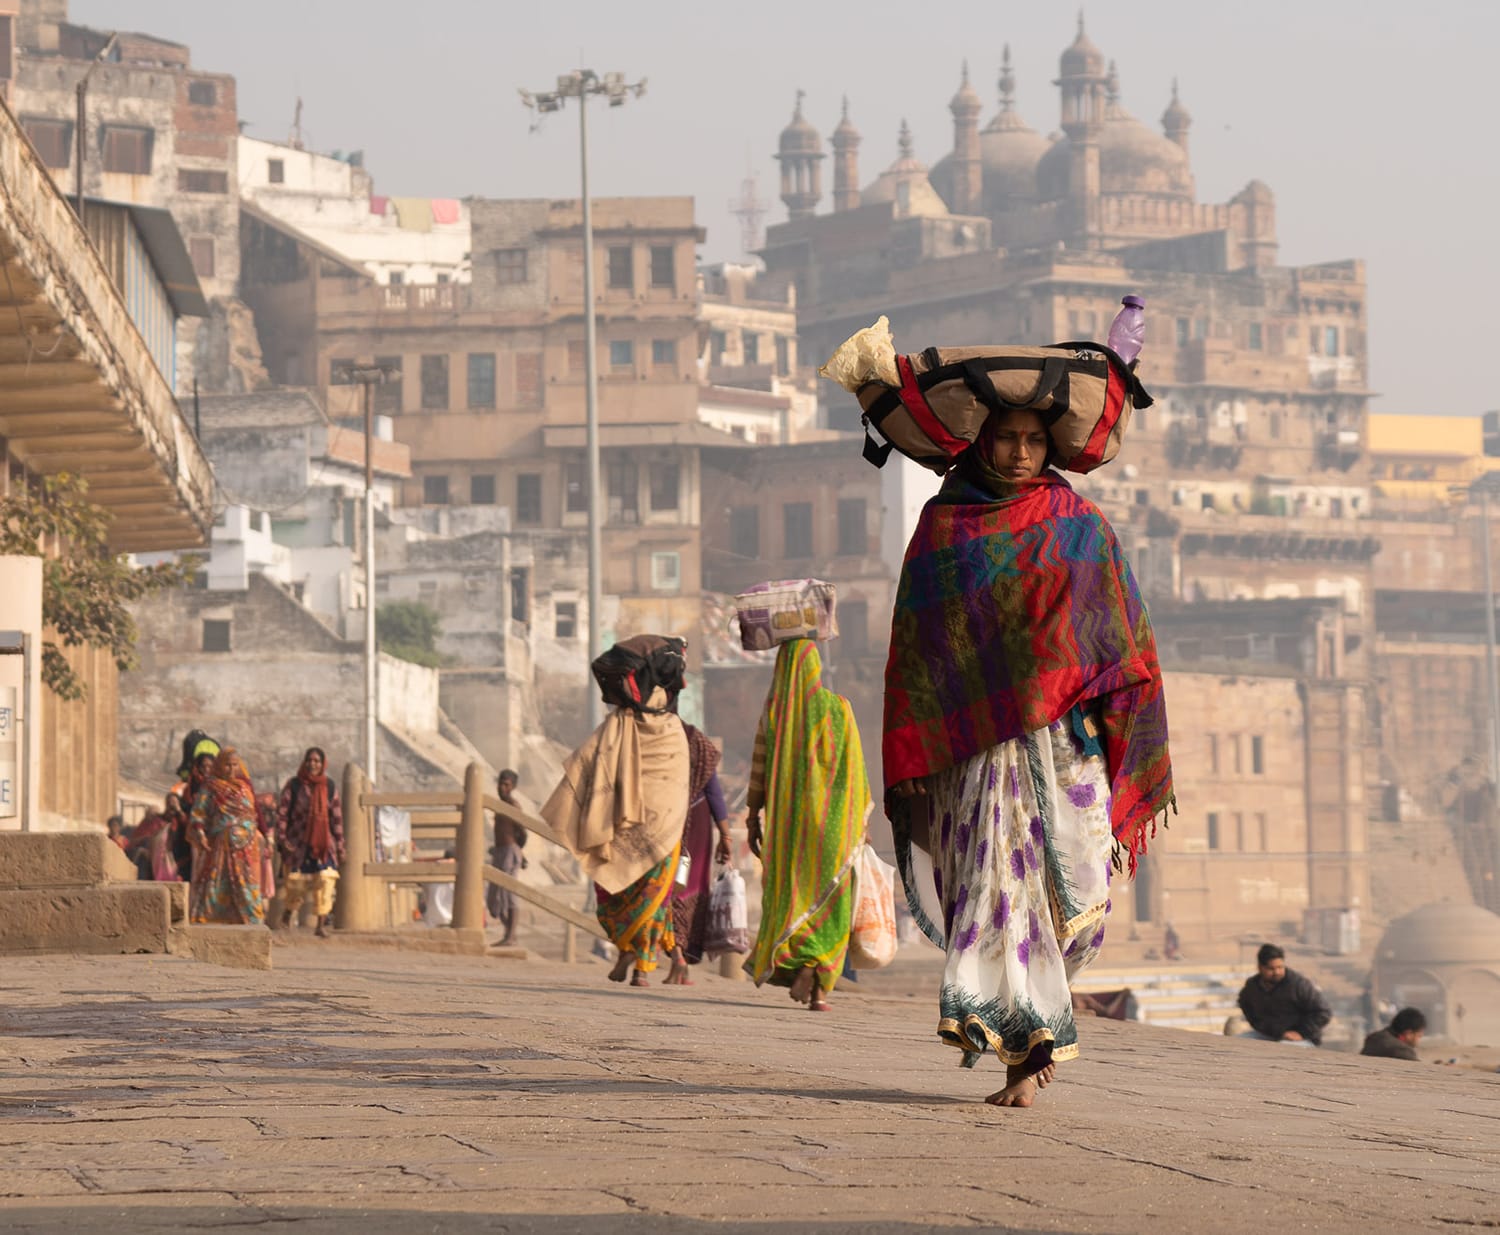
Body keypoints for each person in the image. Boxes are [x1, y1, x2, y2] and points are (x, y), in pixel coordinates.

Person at [883, 408, 1174, 1106]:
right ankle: (1029, 1045)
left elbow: (1119, 635)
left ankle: (1038, 1018)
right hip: (975, 751)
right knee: (993, 890)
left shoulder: (1078, 524)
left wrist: (1088, 703)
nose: (1019, 452)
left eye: (1033, 439)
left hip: (1064, 746)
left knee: (1072, 889)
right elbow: (921, 647)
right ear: (982, 439)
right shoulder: (943, 527)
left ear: (1051, 446)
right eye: (1007, 438)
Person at [543, 635, 691, 988]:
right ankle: (638, 960)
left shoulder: (616, 725)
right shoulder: (674, 732)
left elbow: (587, 764)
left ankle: (634, 955)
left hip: (619, 828)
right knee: (653, 894)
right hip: (664, 832)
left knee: (621, 894)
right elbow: (679, 788)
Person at [744, 637, 869, 1013]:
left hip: (788, 835)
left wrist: (753, 818)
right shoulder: (840, 709)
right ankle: (820, 988)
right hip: (834, 832)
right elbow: (857, 773)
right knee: (831, 906)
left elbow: (759, 773)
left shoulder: (775, 715)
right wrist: (858, 821)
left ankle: (798, 963)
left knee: (790, 900)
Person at [665, 718, 731, 985]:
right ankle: (681, 957)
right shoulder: (698, 740)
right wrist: (724, 834)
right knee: (688, 889)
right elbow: (713, 791)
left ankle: (669, 958)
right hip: (699, 821)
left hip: (664, 820)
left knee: (664, 890)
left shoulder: (652, 735)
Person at [187, 748, 266, 925]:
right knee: (215, 884)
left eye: (234, 765)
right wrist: (200, 832)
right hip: (219, 846)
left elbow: (252, 814)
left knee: (245, 883)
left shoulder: (244, 787)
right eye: (227, 765)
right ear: (219, 765)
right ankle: (208, 921)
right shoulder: (210, 787)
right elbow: (199, 813)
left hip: (244, 848)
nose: (231, 769)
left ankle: (251, 920)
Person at [277, 748, 344, 938]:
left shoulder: (329, 787)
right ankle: (288, 914)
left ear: (323, 764)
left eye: (316, 761)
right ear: (305, 762)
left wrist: (340, 846)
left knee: (325, 880)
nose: (313, 764)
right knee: (296, 883)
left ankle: (320, 925)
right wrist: (283, 839)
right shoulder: (294, 786)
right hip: (298, 843)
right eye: (310, 760)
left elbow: (336, 819)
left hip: (324, 845)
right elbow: (282, 814)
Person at [1236, 943, 1331, 1045]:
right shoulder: (1253, 985)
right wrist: (1258, 1024)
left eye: (1280, 967)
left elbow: (1323, 1012)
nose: (1276, 972)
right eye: (1271, 969)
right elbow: (1244, 1002)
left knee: (1281, 1049)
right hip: (1268, 1035)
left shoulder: (1298, 985)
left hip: (1302, 1038)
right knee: (1237, 1043)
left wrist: (1300, 1033)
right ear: (1260, 967)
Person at [488, 770, 528, 945]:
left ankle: (510, 936)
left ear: (512, 787)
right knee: (493, 899)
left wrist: (518, 851)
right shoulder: (499, 805)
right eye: (500, 784)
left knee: (508, 894)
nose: (502, 787)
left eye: (506, 784)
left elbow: (522, 832)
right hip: (499, 852)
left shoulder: (513, 805)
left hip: (509, 852)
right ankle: (509, 933)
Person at [1361, 1006, 1426, 1061]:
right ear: (1408, 1034)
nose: (1419, 1039)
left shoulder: (1373, 1038)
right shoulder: (1402, 1050)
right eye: (1419, 1036)